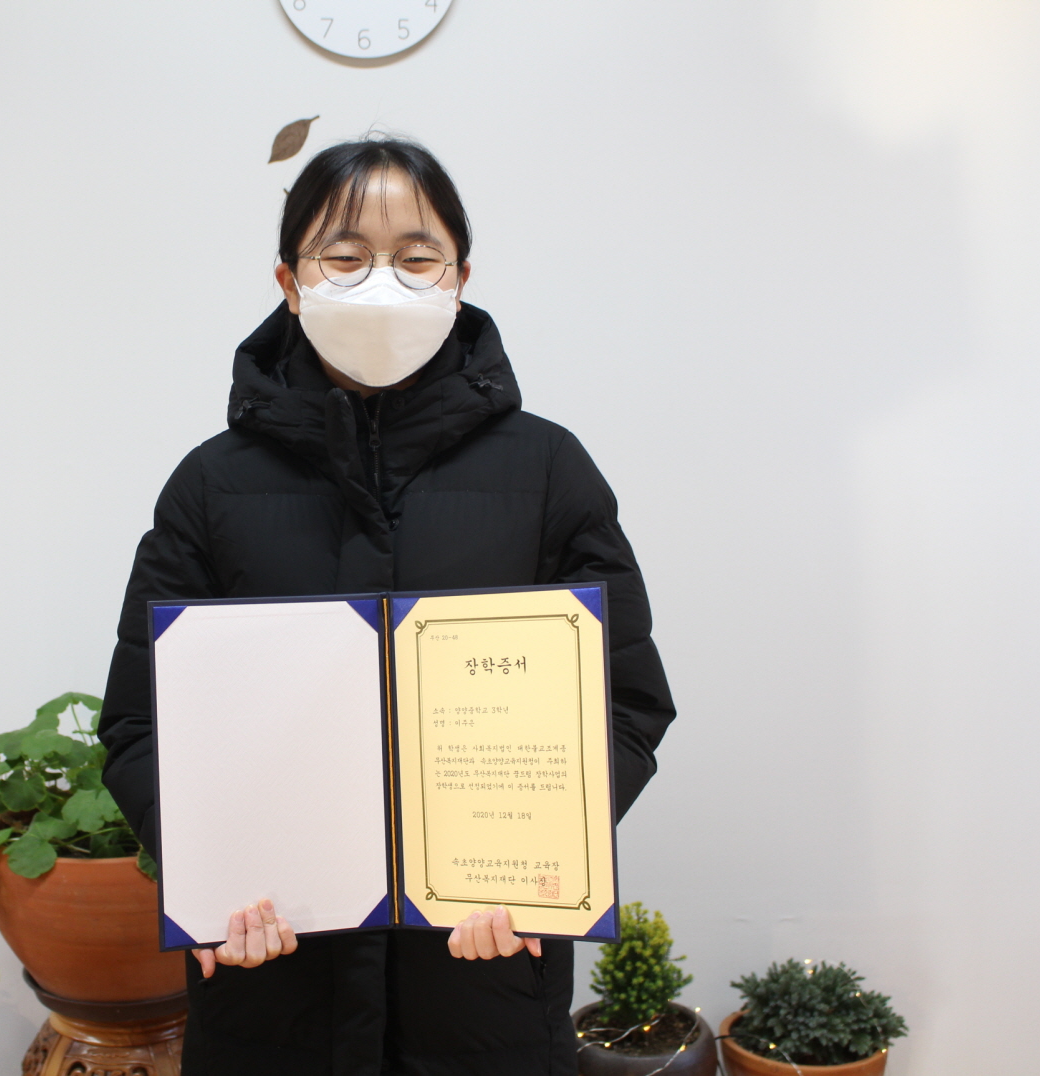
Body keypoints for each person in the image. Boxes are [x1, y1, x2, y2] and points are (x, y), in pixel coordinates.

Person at [99, 137, 675, 1076]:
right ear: (290, 282)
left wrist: (545, 867)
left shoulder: (548, 471)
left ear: (461, 279)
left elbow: (628, 701)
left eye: (415, 258)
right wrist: (207, 875)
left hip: (483, 991)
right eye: (344, 256)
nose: (380, 283)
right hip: (270, 987)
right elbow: (139, 722)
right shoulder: (210, 486)